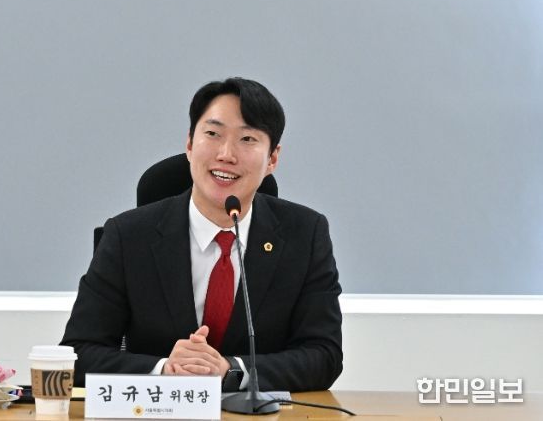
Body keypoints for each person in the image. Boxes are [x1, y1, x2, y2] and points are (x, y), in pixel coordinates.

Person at [61, 77, 343, 392]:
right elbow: (78, 352)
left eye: (247, 139)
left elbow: (324, 355)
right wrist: (165, 370)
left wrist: (231, 369)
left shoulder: (305, 235)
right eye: (213, 134)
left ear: (272, 159)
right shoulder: (128, 236)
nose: (226, 154)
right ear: (190, 144)